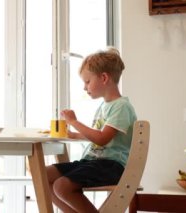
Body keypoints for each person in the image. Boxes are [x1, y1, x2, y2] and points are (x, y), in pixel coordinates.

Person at [46, 47, 137, 213]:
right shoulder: (105, 106)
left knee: (61, 186)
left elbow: (102, 138)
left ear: (104, 78)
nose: (84, 87)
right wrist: (74, 135)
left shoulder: (121, 107)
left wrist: (74, 122)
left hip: (111, 165)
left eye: (87, 82)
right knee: (43, 176)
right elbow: (97, 136)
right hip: (92, 162)